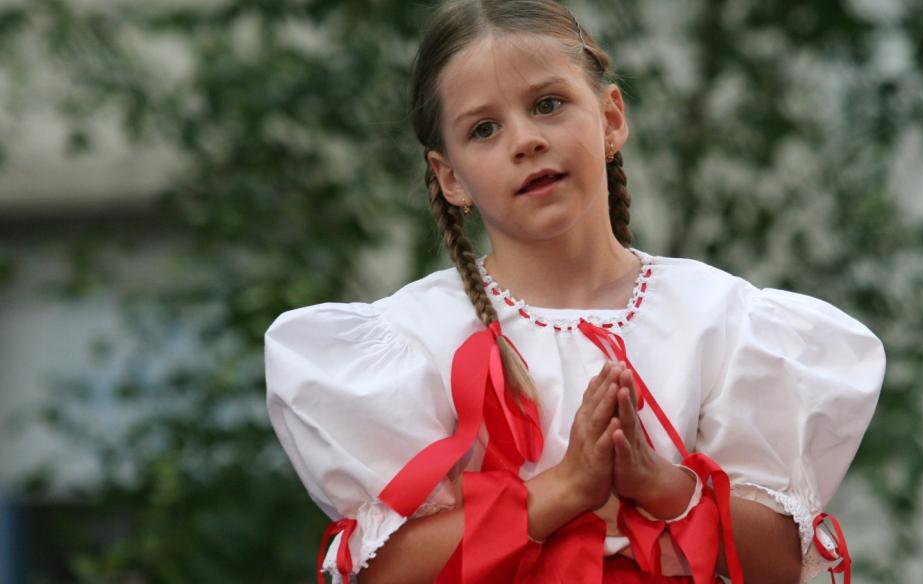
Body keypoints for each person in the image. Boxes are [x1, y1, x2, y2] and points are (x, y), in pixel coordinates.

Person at [264, 1, 884, 583]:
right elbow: (384, 571)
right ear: (449, 176)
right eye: (483, 128)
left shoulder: (717, 317)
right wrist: (565, 488)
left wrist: (658, 482)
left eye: (548, 104)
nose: (525, 140)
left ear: (611, 119)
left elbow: (777, 562)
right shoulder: (415, 337)